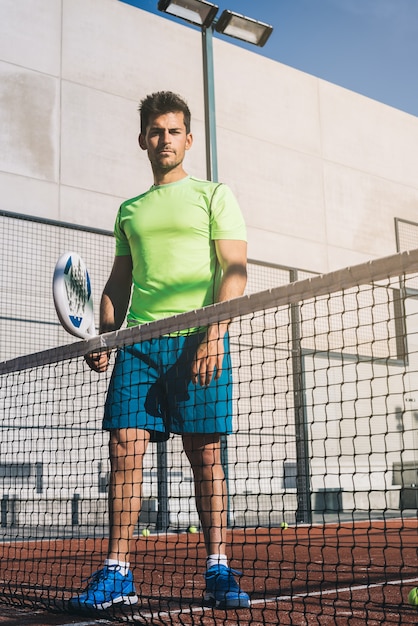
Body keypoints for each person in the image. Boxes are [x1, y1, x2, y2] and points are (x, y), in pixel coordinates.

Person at [69, 91, 249, 611]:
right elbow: (118, 283)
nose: (164, 138)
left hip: (199, 337)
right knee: (124, 448)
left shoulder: (214, 195)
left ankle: (217, 568)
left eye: (174, 130)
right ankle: (118, 572)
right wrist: (102, 333)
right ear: (142, 139)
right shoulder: (129, 210)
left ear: (187, 140)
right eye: (156, 130)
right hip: (139, 343)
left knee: (206, 456)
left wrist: (214, 333)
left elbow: (234, 270)